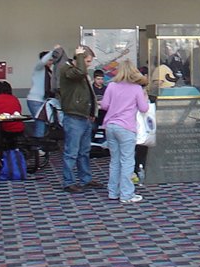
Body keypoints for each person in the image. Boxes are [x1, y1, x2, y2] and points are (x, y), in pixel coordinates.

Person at [99, 58, 149, 203]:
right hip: (126, 127)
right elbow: (144, 108)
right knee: (127, 161)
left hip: (110, 126)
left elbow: (104, 106)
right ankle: (126, 194)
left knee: (114, 161)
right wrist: (144, 98)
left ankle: (113, 192)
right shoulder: (136, 88)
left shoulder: (112, 86)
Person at [60, 45, 100, 193]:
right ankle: (68, 182)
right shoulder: (67, 70)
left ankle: (85, 178)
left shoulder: (78, 71)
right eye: (88, 61)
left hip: (84, 117)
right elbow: (80, 71)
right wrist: (80, 57)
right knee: (71, 152)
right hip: (74, 117)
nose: (89, 65)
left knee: (84, 151)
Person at [27, 46, 62, 138]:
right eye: (49, 60)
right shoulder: (39, 69)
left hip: (44, 101)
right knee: (40, 124)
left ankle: (39, 146)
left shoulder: (50, 72)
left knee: (44, 124)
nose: (51, 62)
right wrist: (52, 51)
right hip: (35, 101)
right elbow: (42, 62)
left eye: (52, 60)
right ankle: (38, 148)